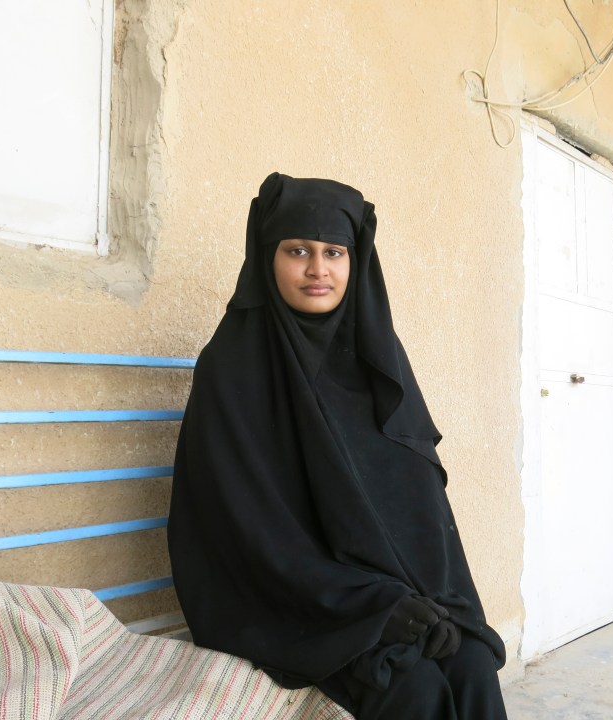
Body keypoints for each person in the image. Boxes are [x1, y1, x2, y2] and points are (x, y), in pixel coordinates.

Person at [167, 173, 508, 719]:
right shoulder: (231, 368)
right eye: (297, 250)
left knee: (469, 663)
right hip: (285, 600)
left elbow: (419, 505)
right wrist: (373, 607)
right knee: (411, 687)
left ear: (357, 262)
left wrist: (435, 600)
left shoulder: (376, 361)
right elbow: (248, 530)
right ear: (265, 255)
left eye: (335, 252)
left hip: (390, 591)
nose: (317, 270)